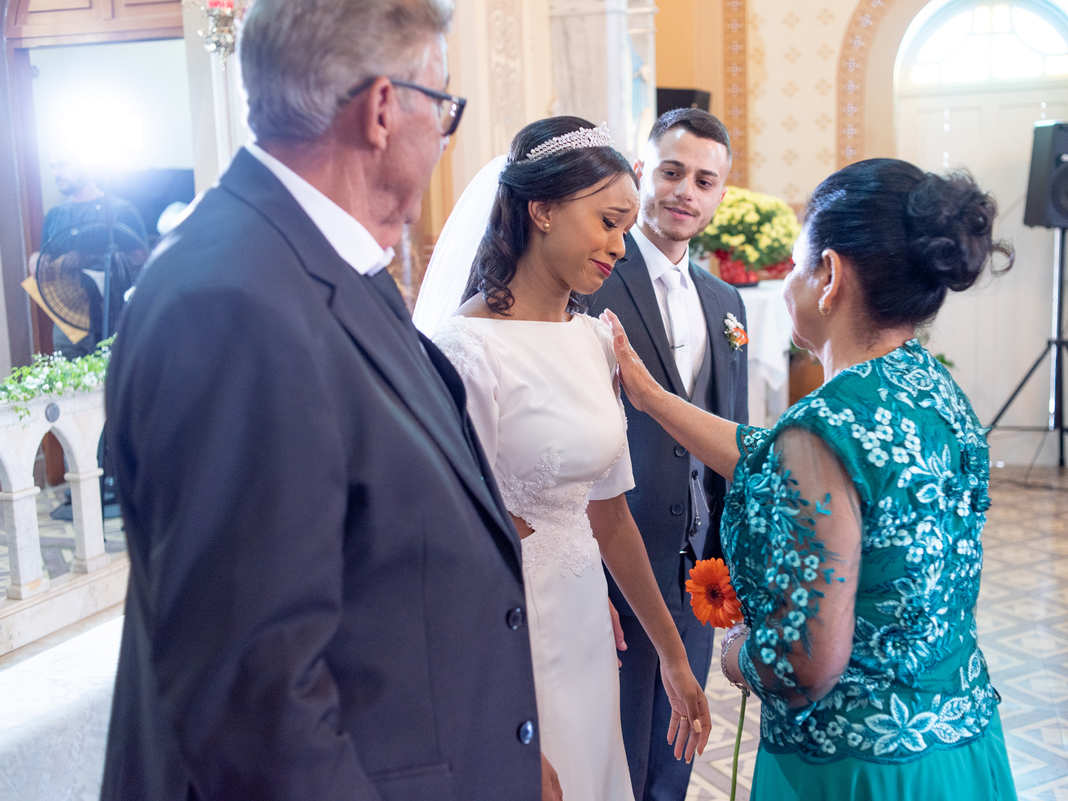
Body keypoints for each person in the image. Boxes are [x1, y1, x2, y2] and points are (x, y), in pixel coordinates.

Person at [100, 1, 544, 799]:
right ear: (383, 108)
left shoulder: (326, 265)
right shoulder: (232, 302)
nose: (444, 135)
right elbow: (255, 701)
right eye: (442, 105)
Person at [604, 158, 1018, 800]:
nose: (790, 282)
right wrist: (654, 398)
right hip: (961, 744)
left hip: (856, 766)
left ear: (830, 276)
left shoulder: (823, 428)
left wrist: (736, 653)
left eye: (796, 265)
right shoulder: (934, 389)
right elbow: (775, 456)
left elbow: (807, 665)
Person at [416, 117, 712, 801]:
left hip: (585, 627)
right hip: (512, 636)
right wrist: (507, 733)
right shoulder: (468, 351)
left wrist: (672, 656)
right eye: (608, 222)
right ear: (542, 209)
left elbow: (610, 518)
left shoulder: (594, 340)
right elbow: (456, 551)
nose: (619, 246)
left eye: (627, 227)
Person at [584, 107, 748, 801]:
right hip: (614, 566)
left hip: (696, 573)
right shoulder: (592, 280)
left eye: (704, 181)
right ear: (640, 172)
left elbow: (732, 436)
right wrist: (583, 576)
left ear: (720, 195)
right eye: (672, 172)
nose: (686, 192)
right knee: (613, 755)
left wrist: (733, 566)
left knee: (673, 756)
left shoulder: (726, 301)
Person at [28, 156, 147, 358]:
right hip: (68, 325)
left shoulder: (120, 210)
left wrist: (90, 259)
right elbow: (47, 259)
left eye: (62, 164)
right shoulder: (55, 215)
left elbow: (143, 260)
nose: (57, 173)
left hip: (114, 317)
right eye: (53, 167)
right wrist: (36, 259)